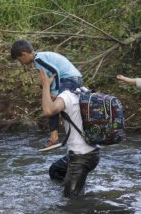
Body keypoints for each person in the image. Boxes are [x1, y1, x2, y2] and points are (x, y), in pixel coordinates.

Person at [38, 68, 99, 199]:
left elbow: (49, 110)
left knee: (71, 202)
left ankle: (75, 190)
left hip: (81, 157)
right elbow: (60, 100)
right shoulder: (83, 91)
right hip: (92, 152)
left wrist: (46, 86)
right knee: (56, 170)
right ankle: (76, 185)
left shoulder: (66, 96)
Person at [11, 39, 83, 149]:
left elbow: (56, 72)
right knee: (51, 102)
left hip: (70, 79)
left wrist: (54, 92)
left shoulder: (39, 60)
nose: (21, 63)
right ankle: (56, 136)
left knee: (50, 103)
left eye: (19, 60)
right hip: (70, 78)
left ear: (24, 55)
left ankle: (54, 137)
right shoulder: (39, 59)